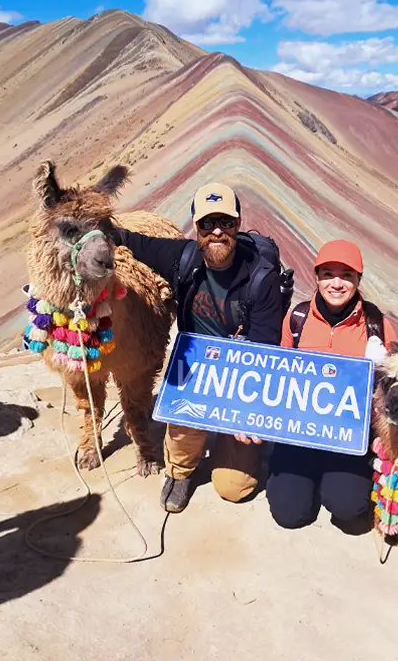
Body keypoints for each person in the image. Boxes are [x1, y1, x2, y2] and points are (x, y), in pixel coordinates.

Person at [113, 183, 289, 513]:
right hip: (197, 372)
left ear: (238, 224)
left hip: (241, 379)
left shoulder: (260, 279)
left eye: (226, 222)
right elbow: (129, 240)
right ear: (196, 228)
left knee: (234, 489)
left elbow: (264, 351)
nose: (217, 231)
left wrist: (247, 413)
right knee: (182, 425)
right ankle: (181, 473)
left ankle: (233, 441)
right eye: (208, 224)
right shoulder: (184, 259)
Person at [267, 239, 395, 532]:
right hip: (301, 432)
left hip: (348, 438)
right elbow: (280, 373)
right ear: (317, 277)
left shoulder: (376, 324)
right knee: (289, 514)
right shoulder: (297, 319)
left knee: (349, 508)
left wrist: (379, 370)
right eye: (328, 274)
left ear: (358, 280)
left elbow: (391, 388)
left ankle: (335, 482)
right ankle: (300, 480)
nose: (336, 284)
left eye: (346, 276)